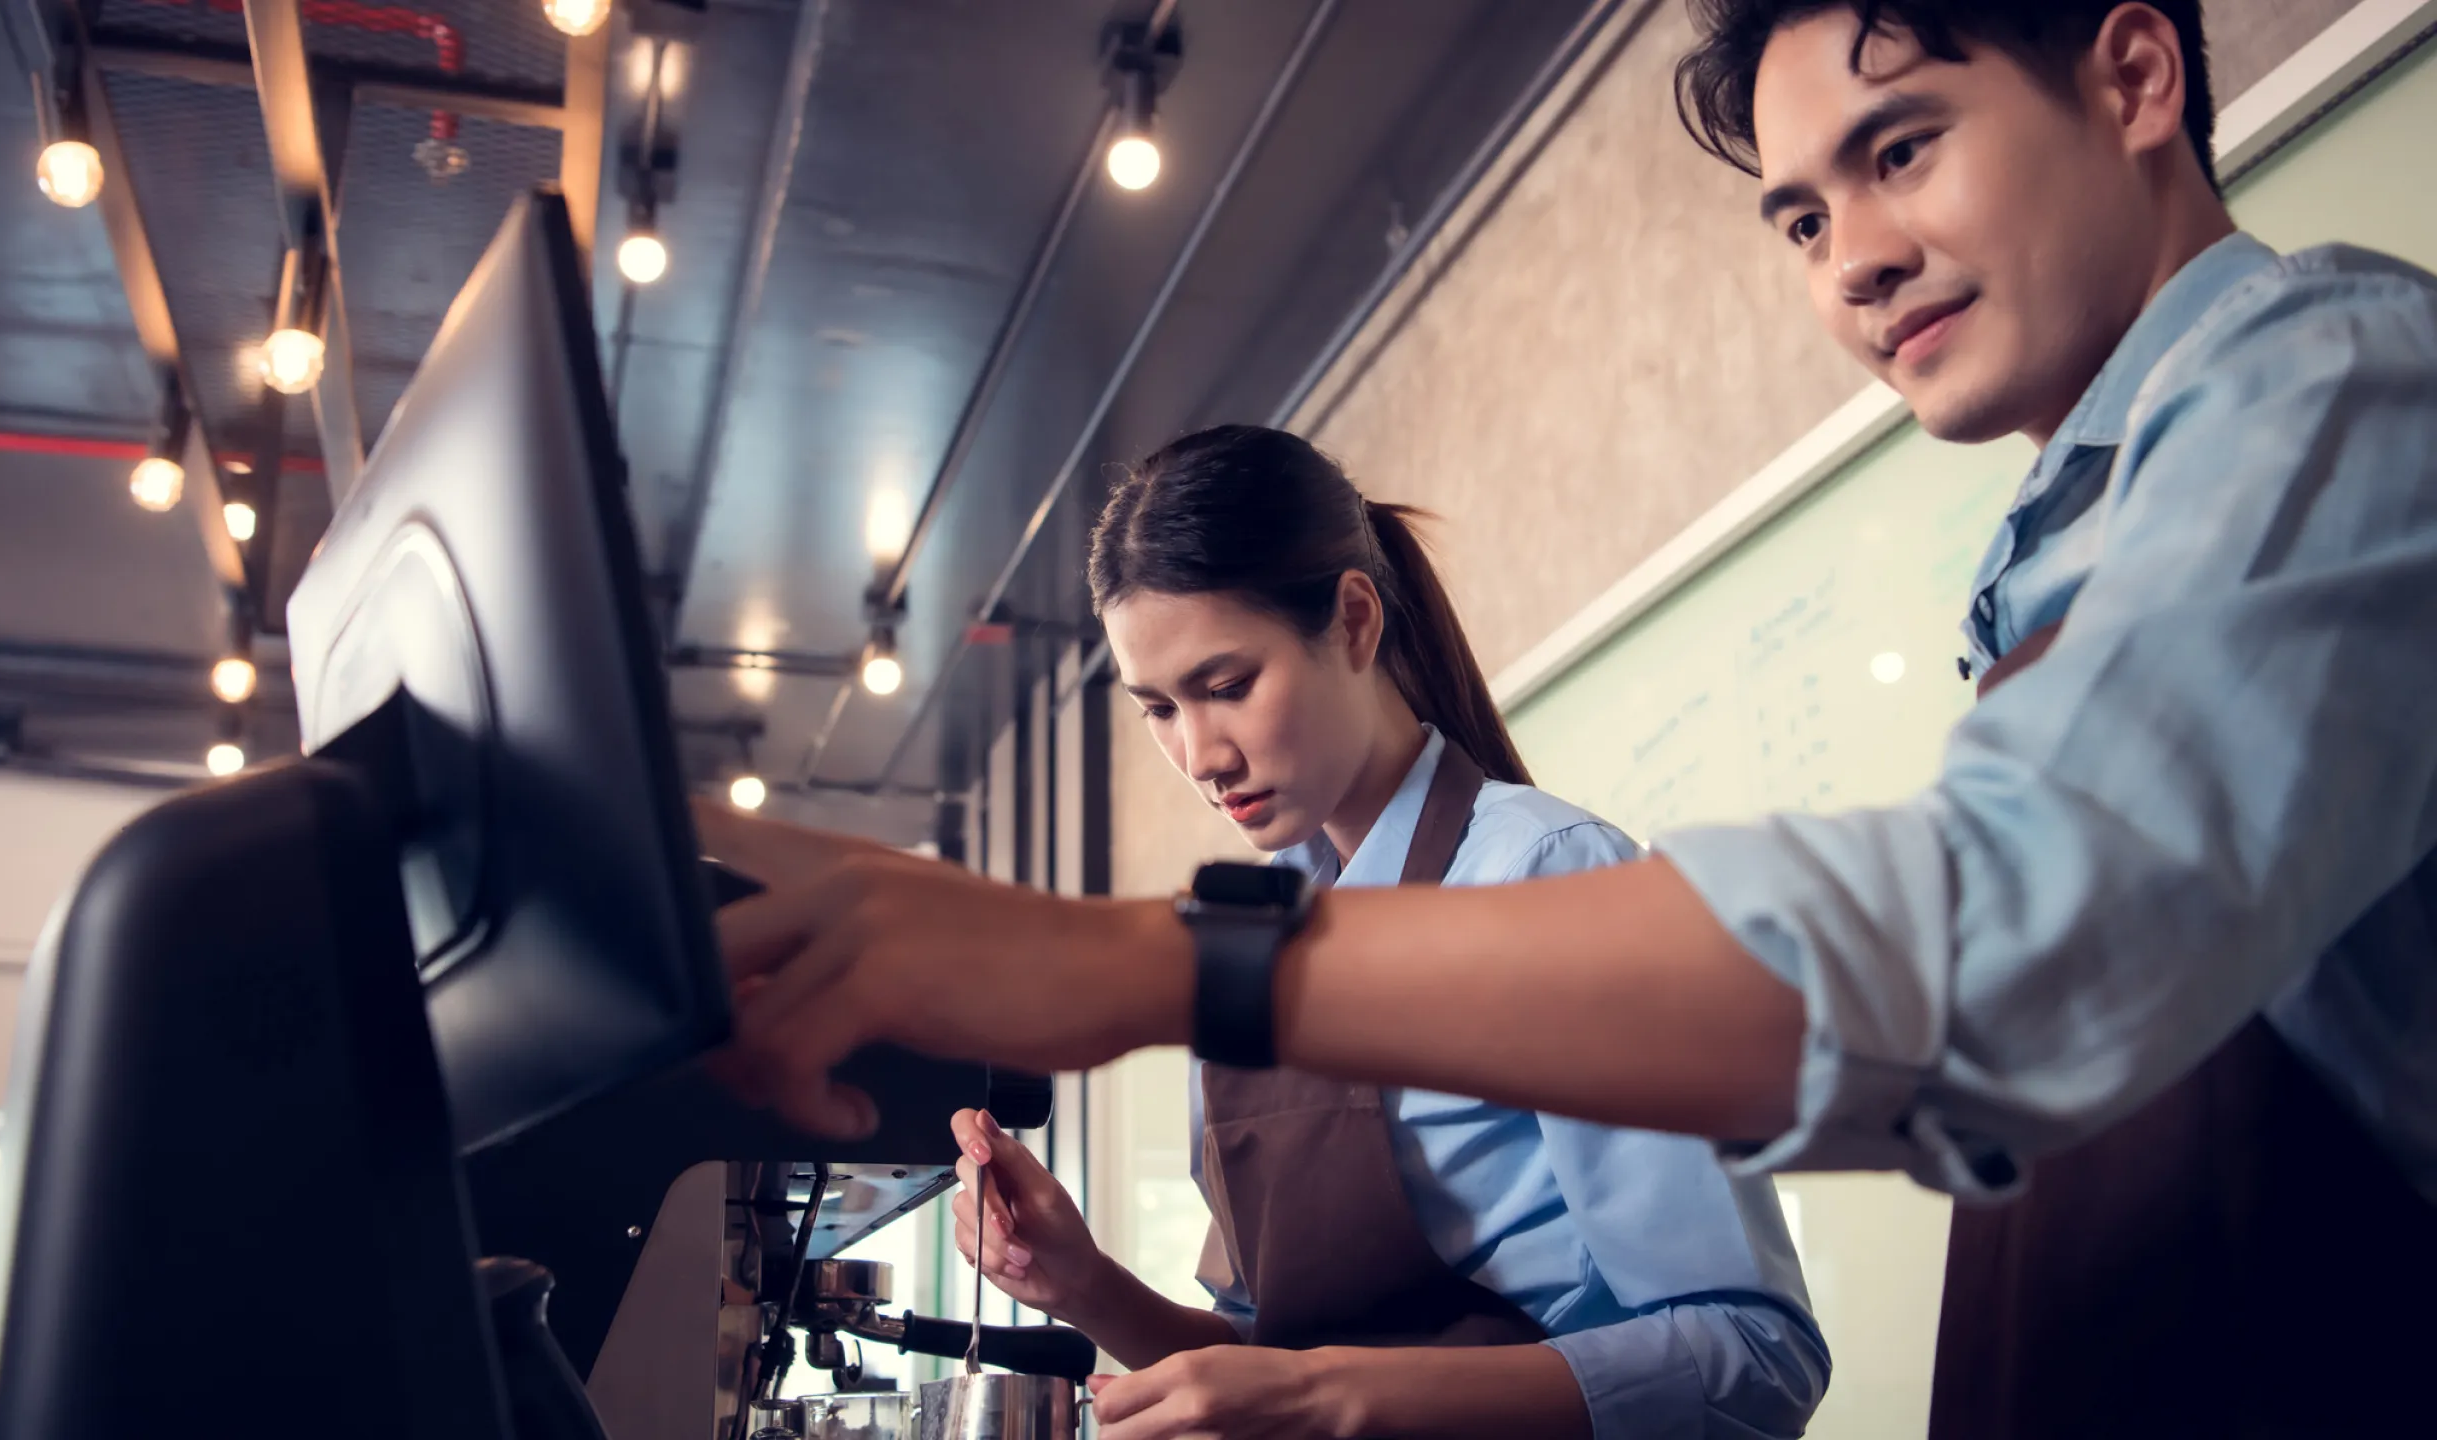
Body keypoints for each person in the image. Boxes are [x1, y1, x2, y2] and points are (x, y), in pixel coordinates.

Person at [700, 3, 2437, 1430]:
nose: (1855, 262)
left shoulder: (2336, 380)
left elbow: (2016, 944)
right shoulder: (2072, 549)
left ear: (2135, 78)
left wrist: (1157, 961)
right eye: (1805, 217)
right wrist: (1098, 1293)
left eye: (1901, 149)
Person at [938, 426, 1826, 1440]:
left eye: (1227, 686)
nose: (1199, 754)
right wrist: (1083, 1283)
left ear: (1354, 620)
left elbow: (1756, 1359)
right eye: (1158, 709)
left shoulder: (1548, 877)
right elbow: (1267, 1354)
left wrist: (1328, 1398)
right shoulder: (1240, 944)